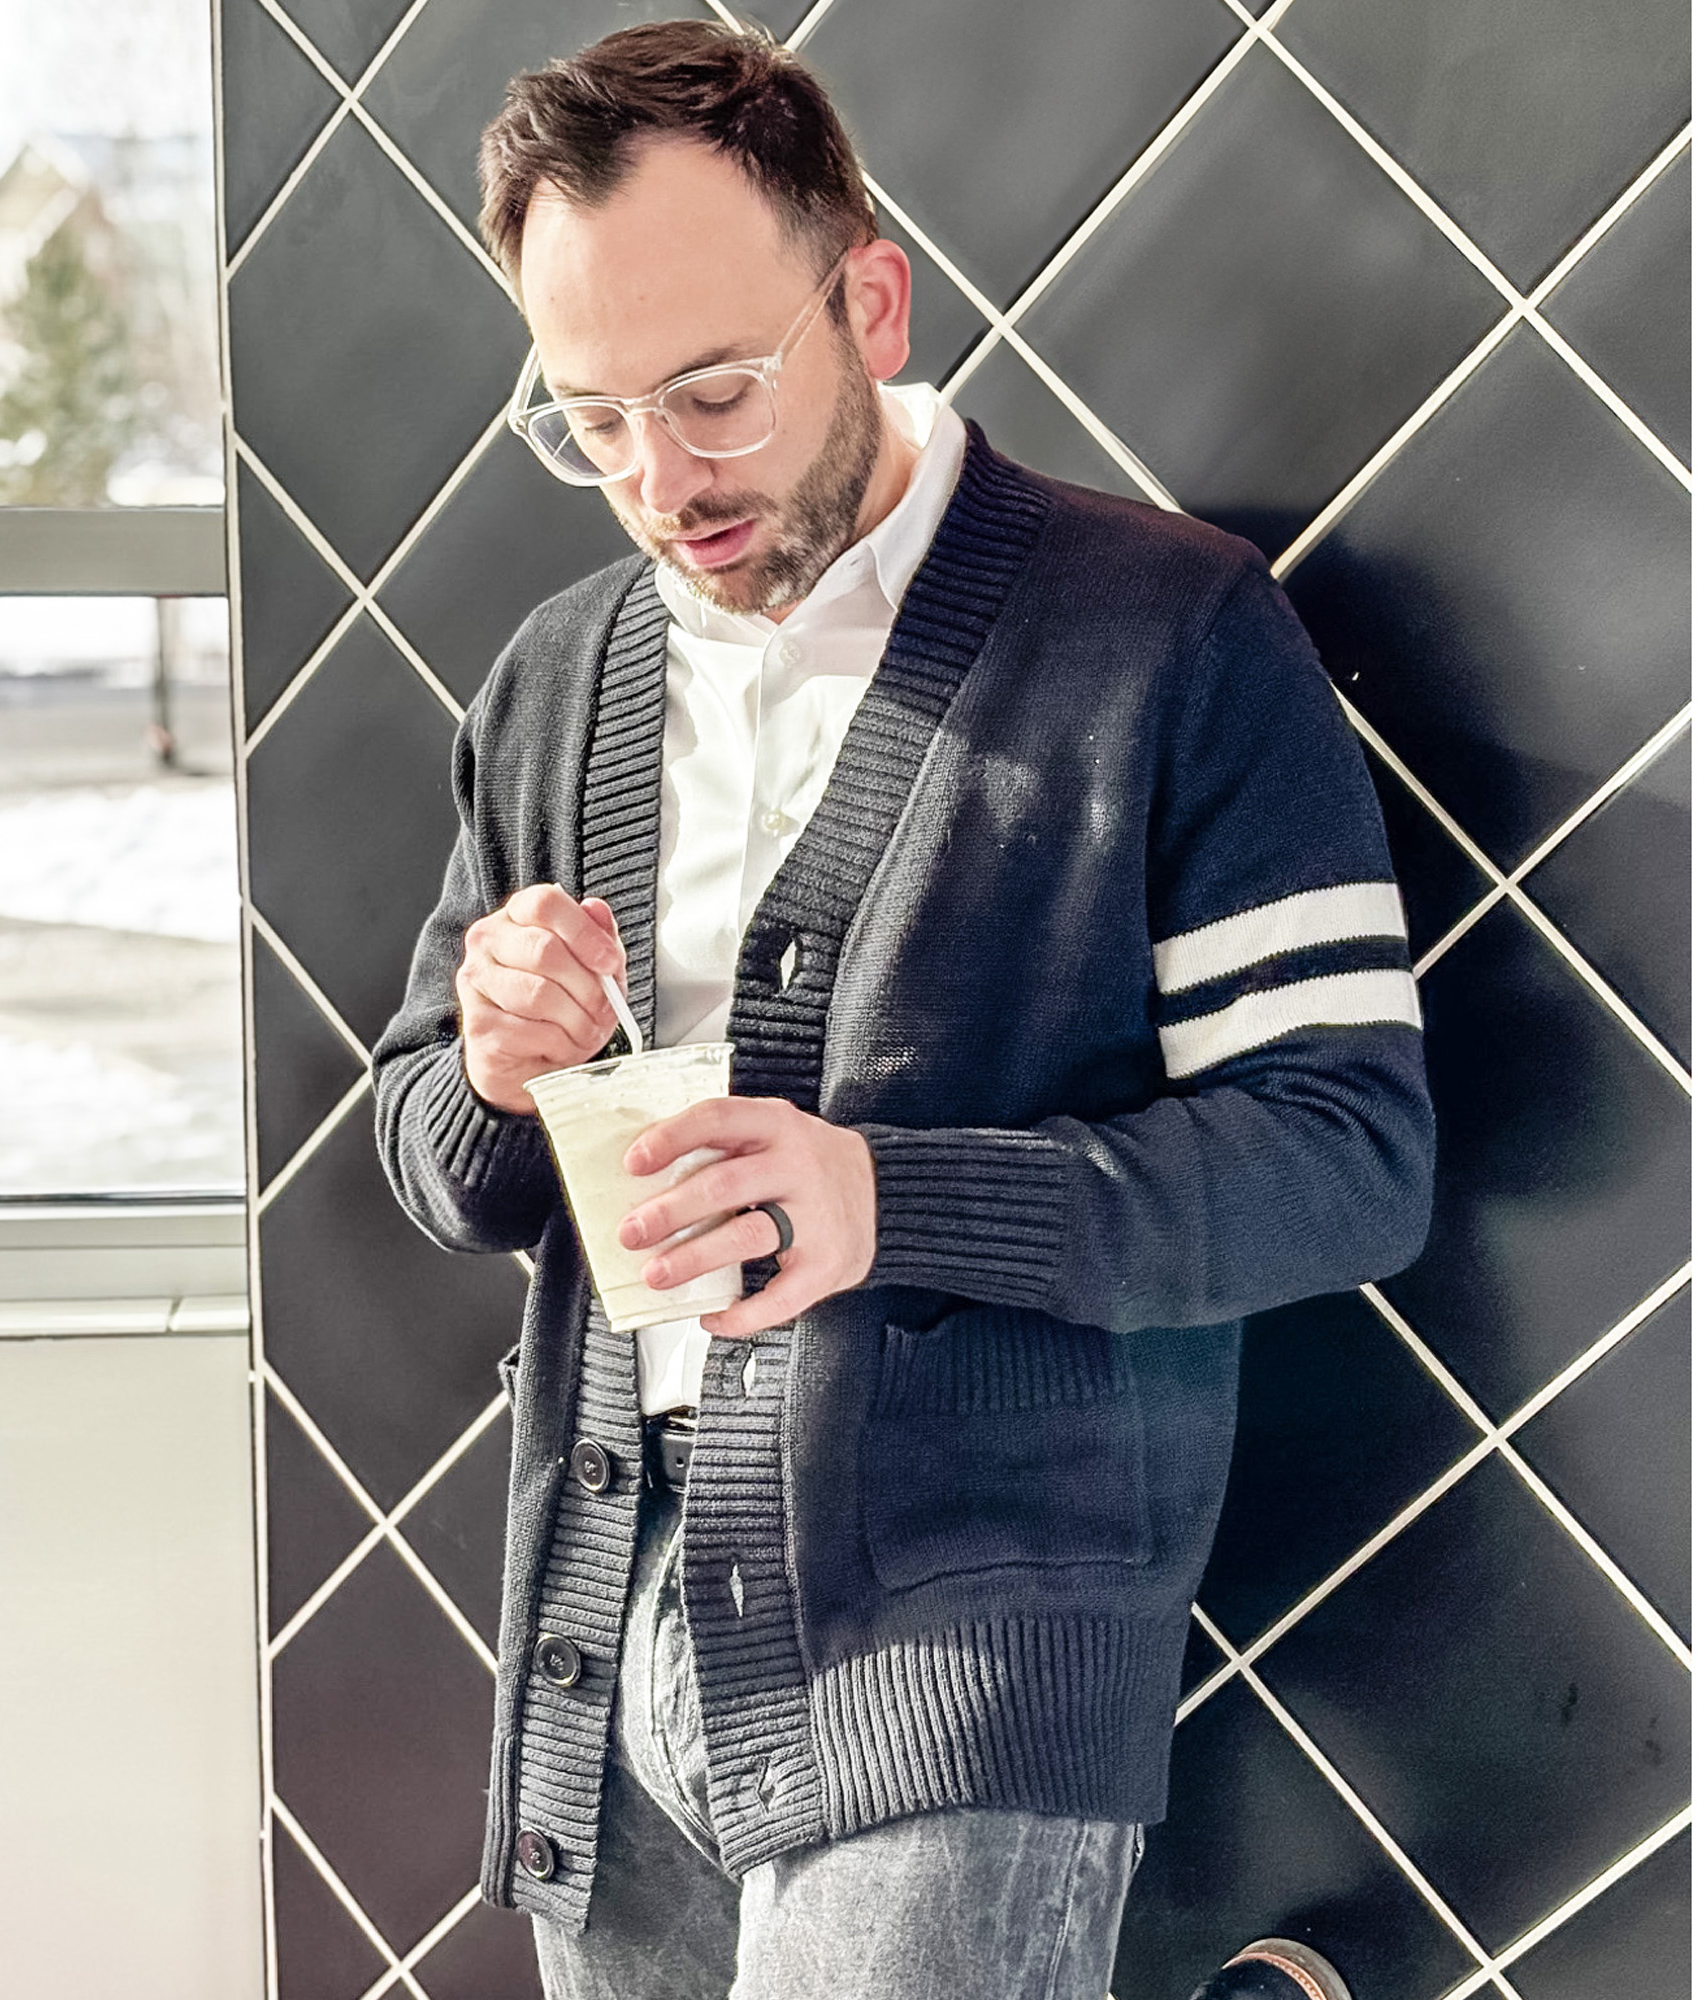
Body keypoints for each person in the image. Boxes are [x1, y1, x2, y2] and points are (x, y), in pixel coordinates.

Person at [372, 20, 1432, 1998]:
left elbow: (1346, 1161)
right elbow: (438, 1163)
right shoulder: (550, 679)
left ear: (867, 298)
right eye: (588, 418)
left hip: (960, 1657)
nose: (656, 478)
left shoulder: (1165, 636)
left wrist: (881, 1199)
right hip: (602, 1651)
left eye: (710, 393)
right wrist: (494, 1074)